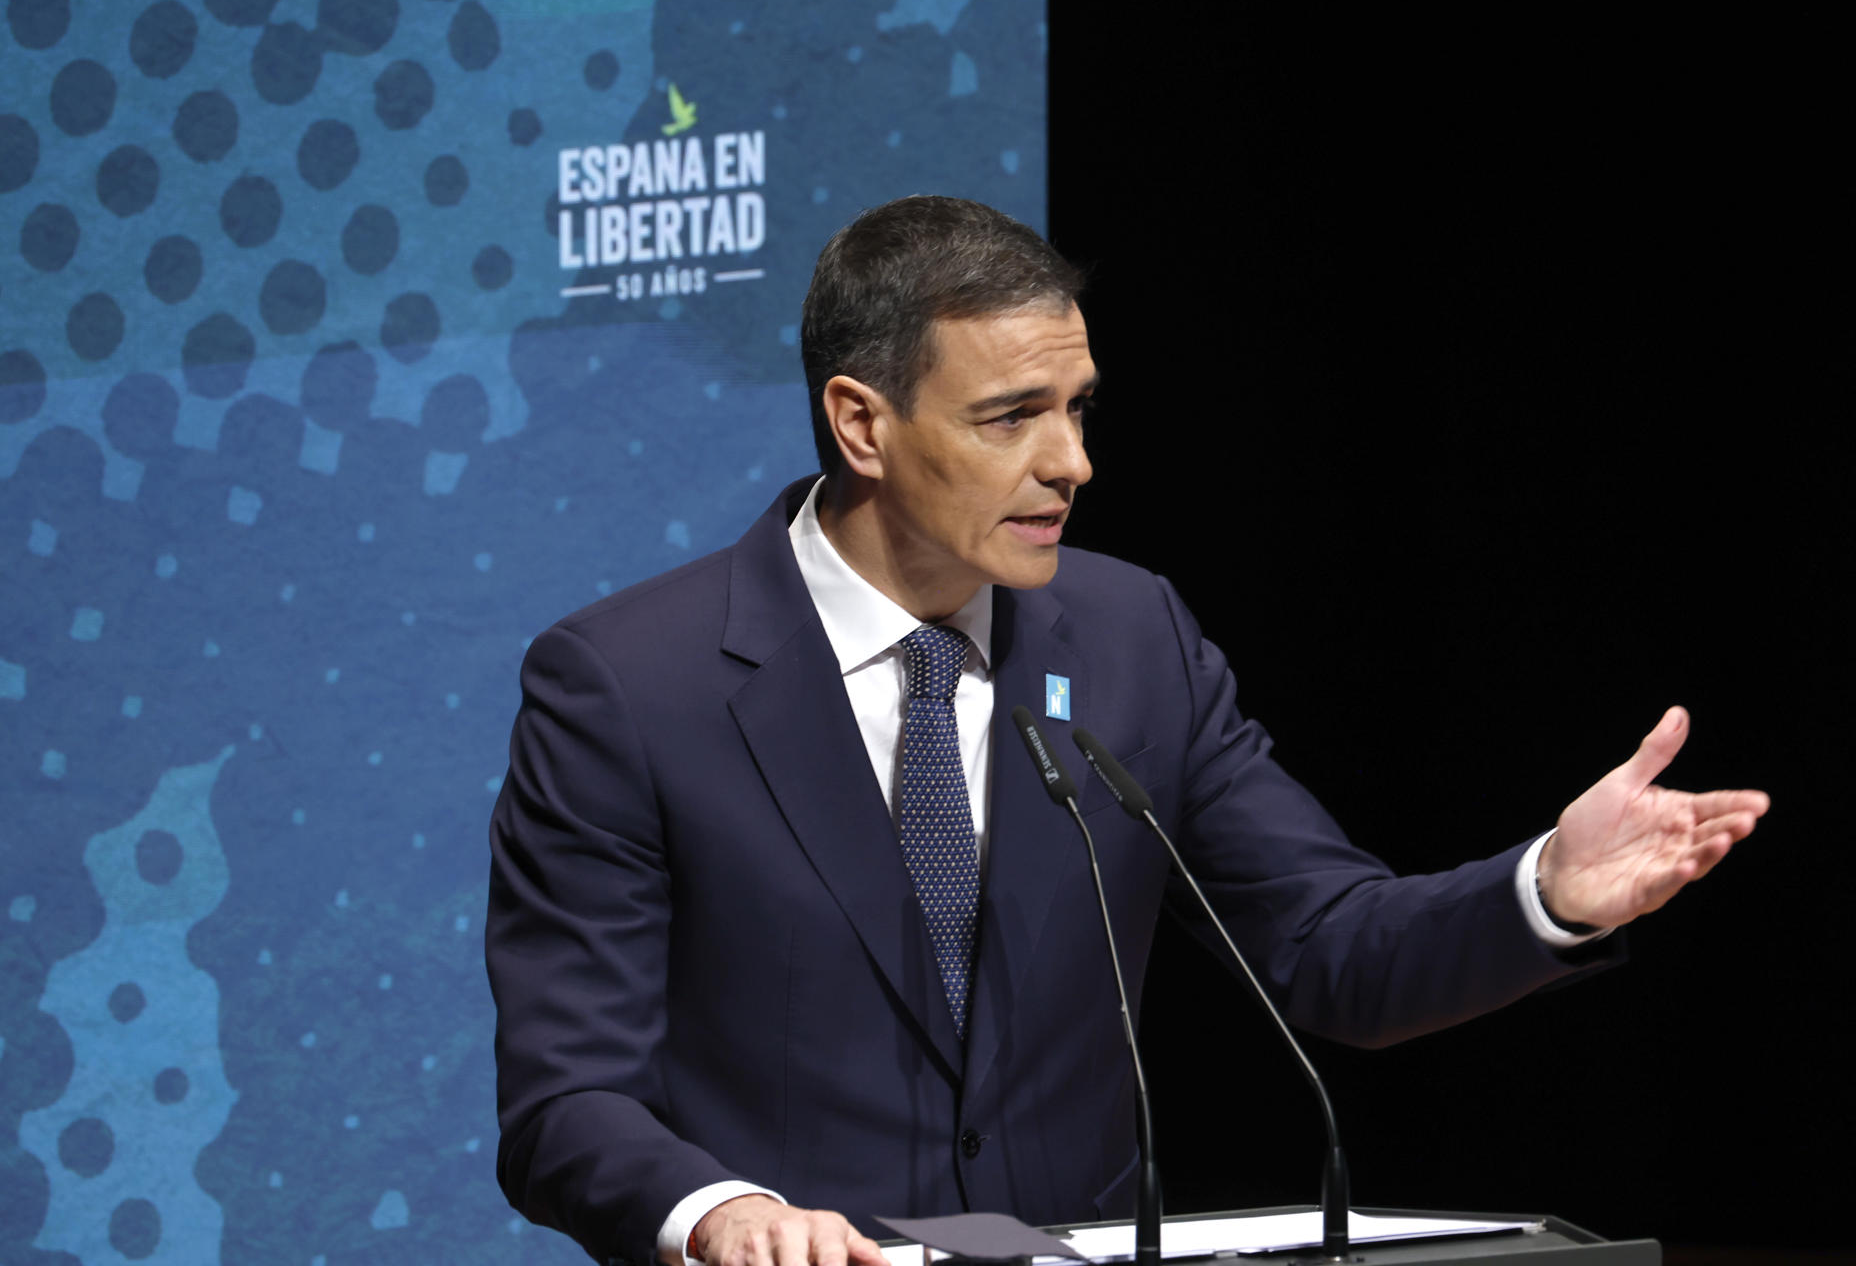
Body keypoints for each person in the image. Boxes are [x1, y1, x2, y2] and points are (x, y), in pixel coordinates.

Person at [486, 196, 1768, 1266]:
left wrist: (1549, 887)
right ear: (862, 423)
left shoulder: (1130, 637)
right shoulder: (628, 685)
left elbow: (1332, 951)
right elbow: (567, 1099)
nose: (1072, 461)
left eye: (1080, 406)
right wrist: (723, 1214)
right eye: (1012, 415)